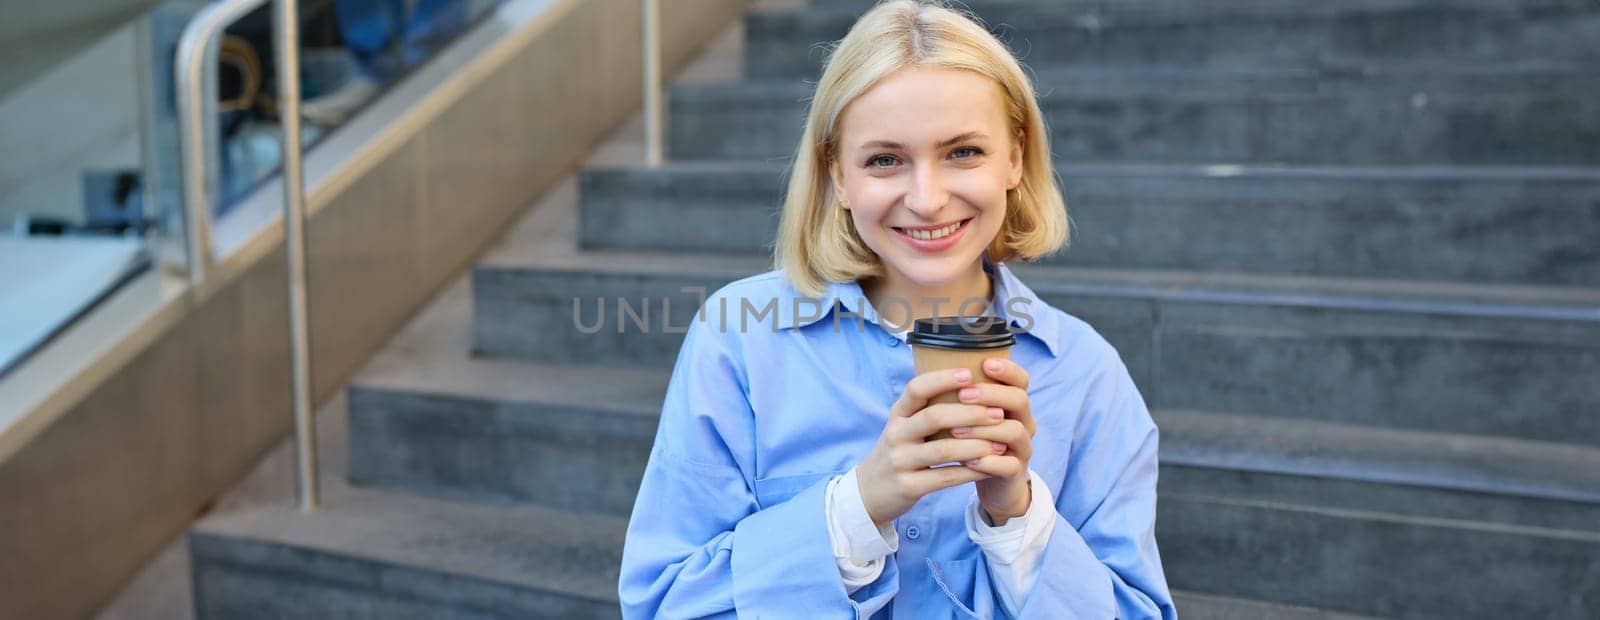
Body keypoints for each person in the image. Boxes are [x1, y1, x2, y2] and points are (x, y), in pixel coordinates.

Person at [618, 1, 1176, 617]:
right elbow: (662, 603)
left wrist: (1015, 514)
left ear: (1015, 158)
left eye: (963, 152)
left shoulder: (1087, 373)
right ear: (837, 174)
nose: (928, 199)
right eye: (884, 160)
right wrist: (856, 507)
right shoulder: (738, 340)